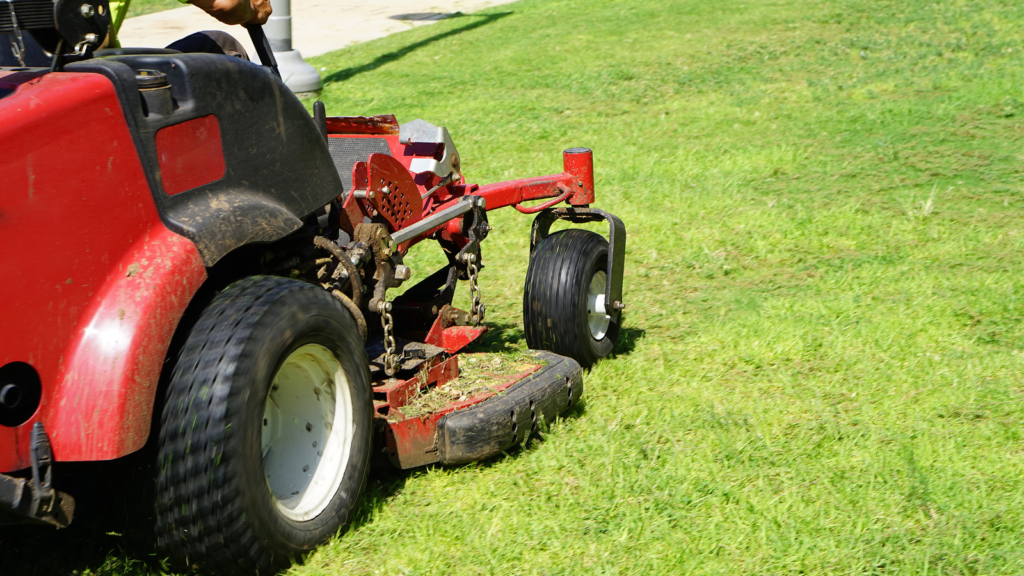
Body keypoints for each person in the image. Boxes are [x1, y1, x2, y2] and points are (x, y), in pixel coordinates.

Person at [107, 0, 273, 59]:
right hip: (105, 81)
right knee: (222, 47)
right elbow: (228, 4)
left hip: (85, 76)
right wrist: (254, 8)